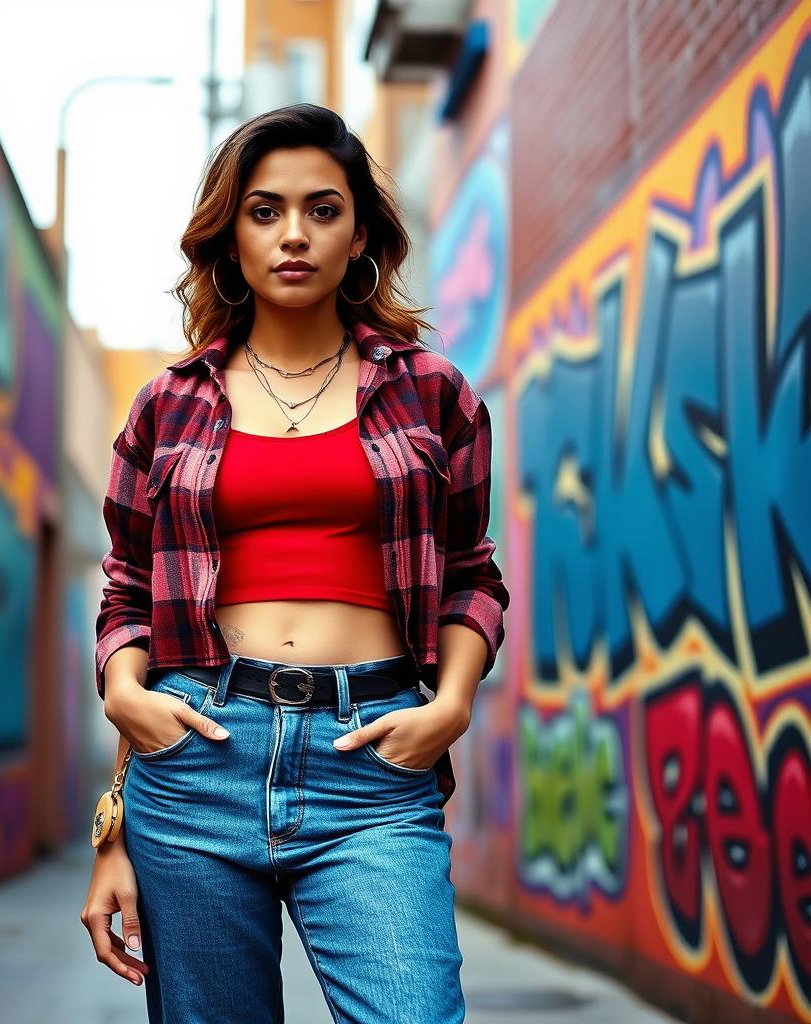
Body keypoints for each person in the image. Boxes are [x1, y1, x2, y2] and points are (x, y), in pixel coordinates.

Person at [81, 102, 510, 1024]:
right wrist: (121, 723)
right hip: (196, 754)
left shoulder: (431, 394)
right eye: (265, 211)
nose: (294, 235)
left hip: (374, 761)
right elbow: (131, 591)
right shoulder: (169, 405)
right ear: (229, 235)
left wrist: (453, 705)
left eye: (323, 210)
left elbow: (473, 573)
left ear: (361, 236)